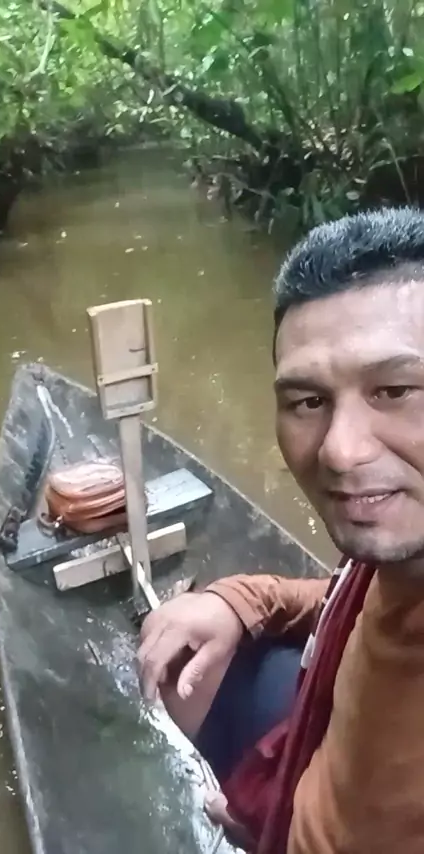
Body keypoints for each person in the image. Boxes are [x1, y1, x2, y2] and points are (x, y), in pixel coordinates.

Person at [137, 206, 424, 854]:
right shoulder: (391, 568)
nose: (340, 451)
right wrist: (240, 599)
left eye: (396, 390)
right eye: (308, 402)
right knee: (190, 661)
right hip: (300, 806)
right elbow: (349, 595)